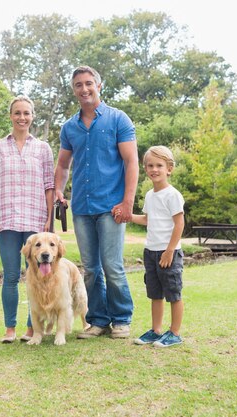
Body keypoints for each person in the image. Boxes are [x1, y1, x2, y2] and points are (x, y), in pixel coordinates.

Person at [54, 65, 138, 339]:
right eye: (78, 85)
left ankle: (121, 318)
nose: (84, 88)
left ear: (99, 86)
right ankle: (98, 320)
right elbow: (63, 165)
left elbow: (131, 161)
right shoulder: (70, 127)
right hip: (81, 208)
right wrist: (58, 190)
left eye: (89, 83)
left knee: (112, 266)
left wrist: (128, 202)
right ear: (74, 90)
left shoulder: (118, 120)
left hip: (111, 207)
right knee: (90, 269)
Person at [0, 95, 55, 344]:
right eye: (17, 113)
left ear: (32, 116)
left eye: (26, 113)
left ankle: (31, 328)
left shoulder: (43, 149)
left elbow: (49, 186)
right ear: (11, 116)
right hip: (7, 220)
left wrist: (48, 219)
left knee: (36, 275)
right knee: (11, 275)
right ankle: (10, 329)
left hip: (35, 222)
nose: (22, 117)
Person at [130, 146, 185, 348]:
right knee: (155, 293)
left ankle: (175, 333)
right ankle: (156, 331)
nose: (154, 169)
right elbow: (147, 219)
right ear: (145, 168)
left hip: (168, 252)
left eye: (159, 166)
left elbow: (179, 224)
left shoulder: (173, 195)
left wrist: (170, 250)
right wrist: (127, 216)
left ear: (169, 169)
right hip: (150, 252)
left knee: (173, 293)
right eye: (150, 165)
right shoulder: (150, 195)